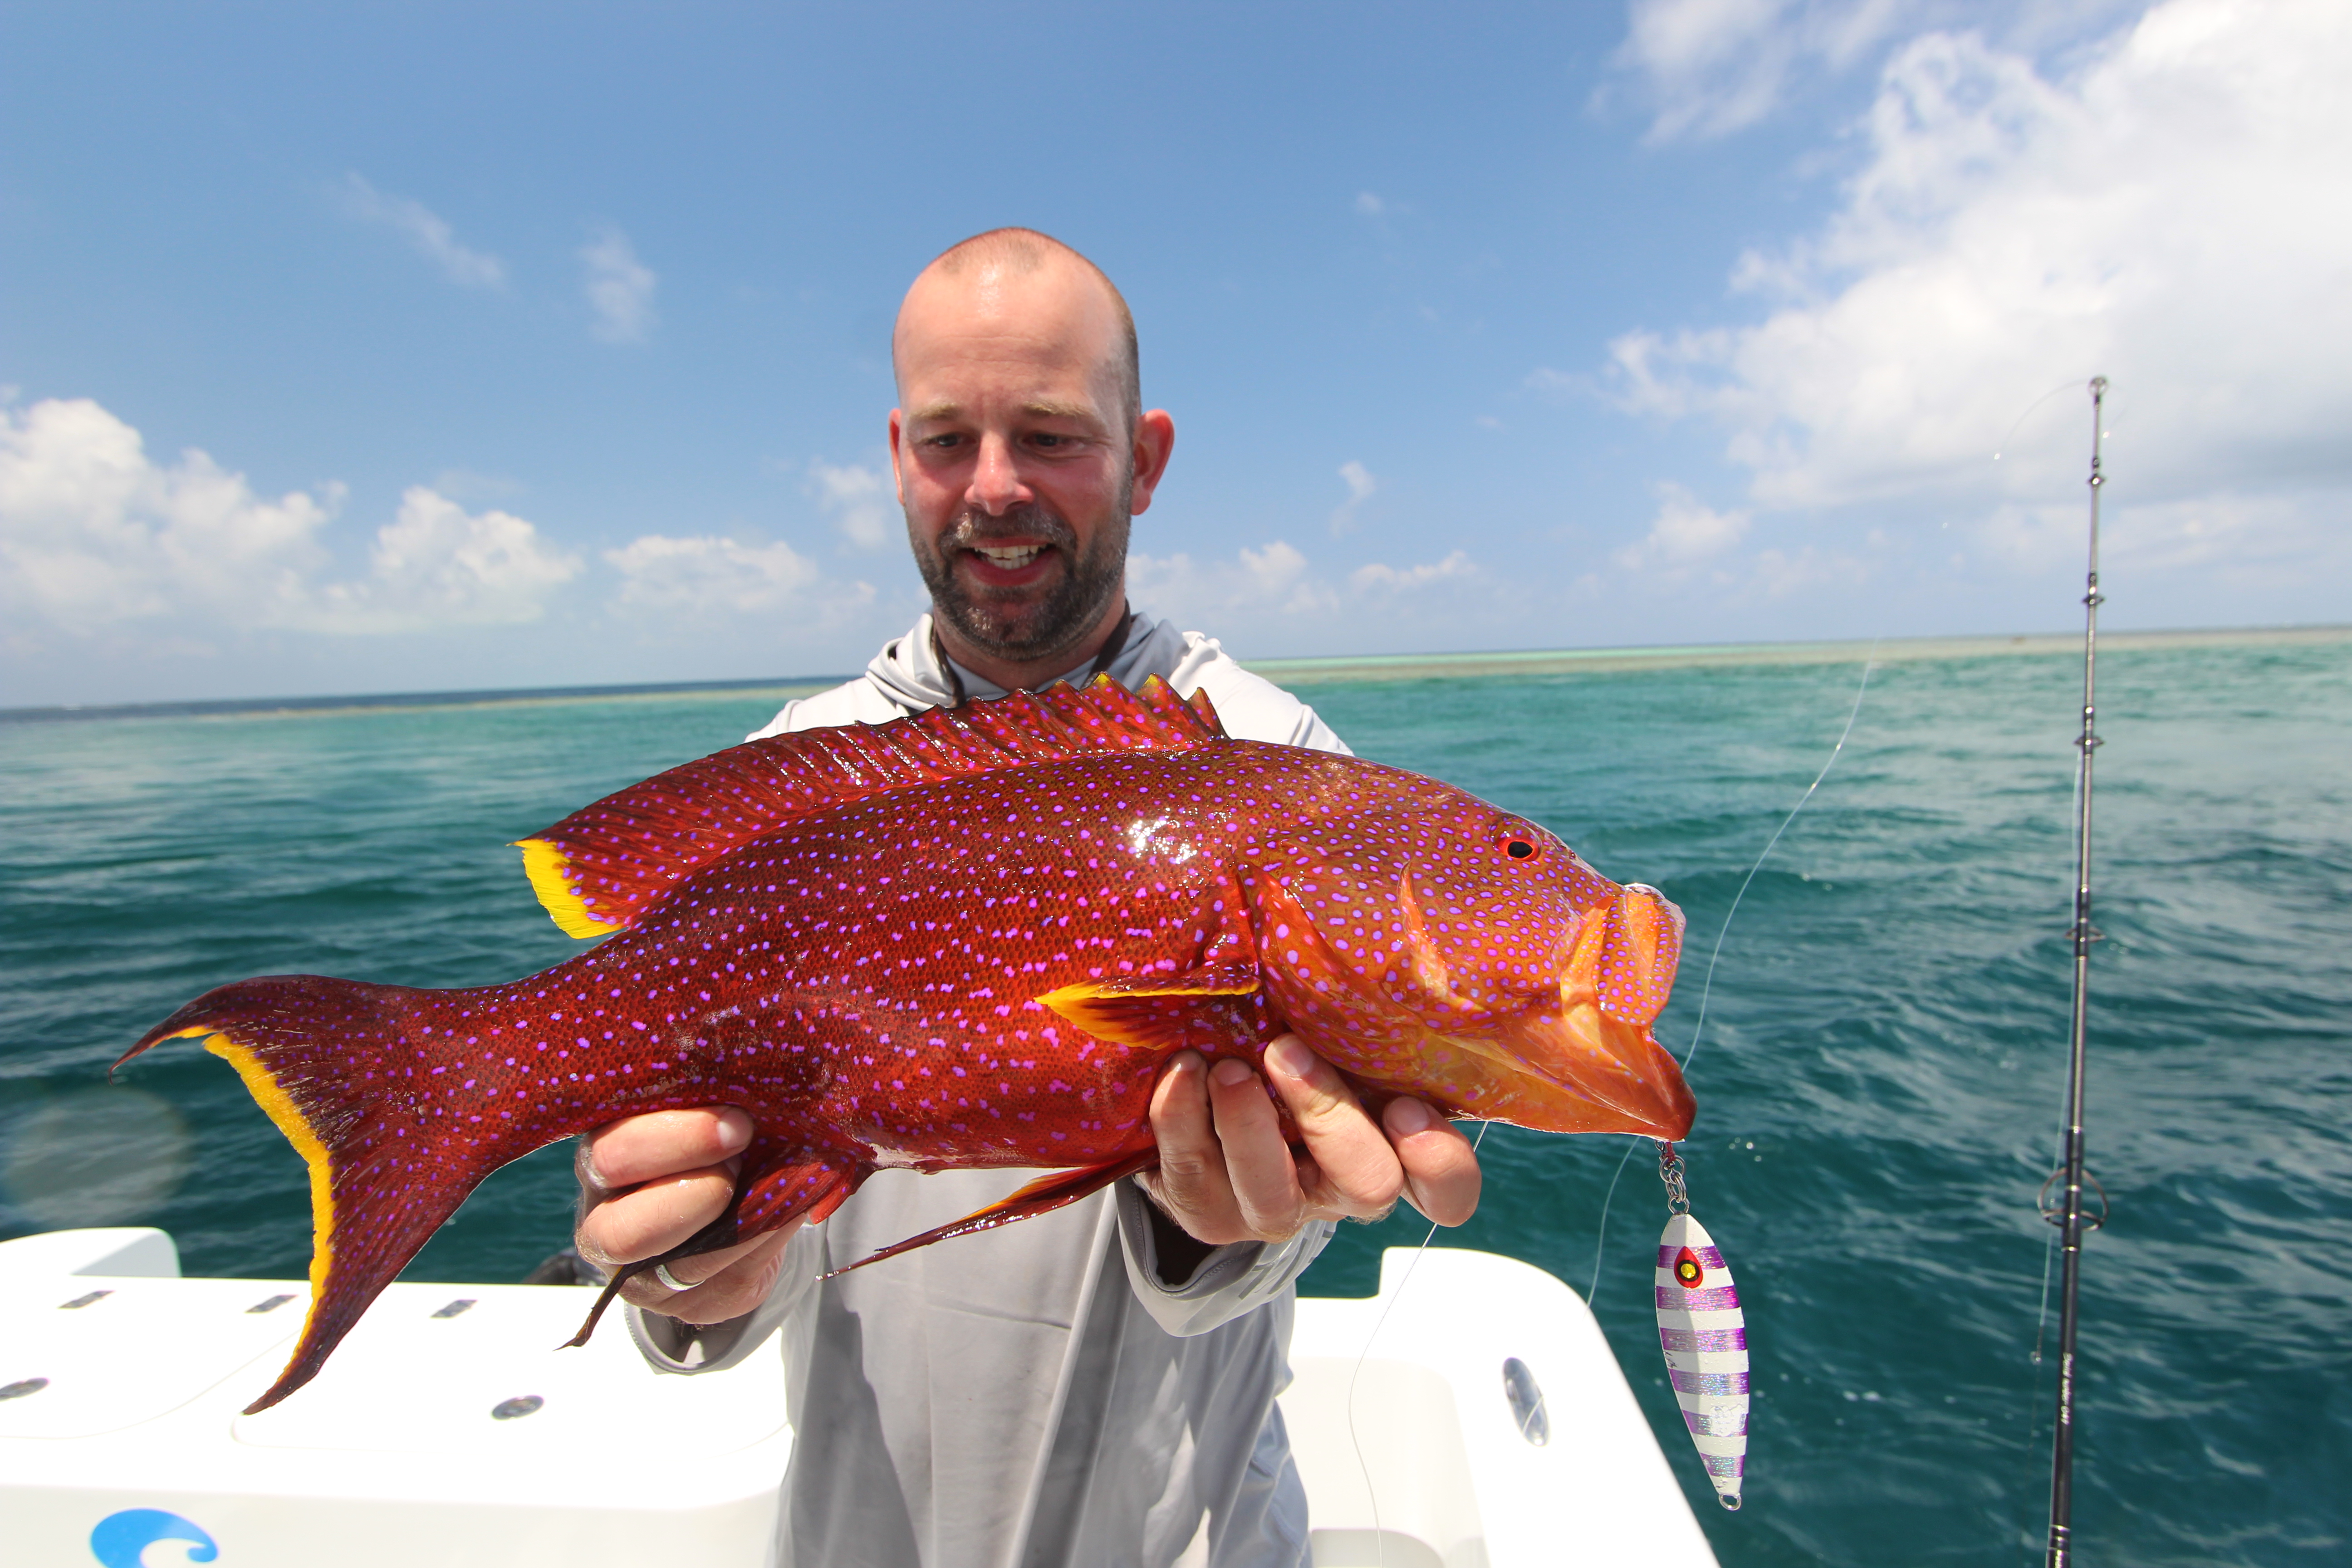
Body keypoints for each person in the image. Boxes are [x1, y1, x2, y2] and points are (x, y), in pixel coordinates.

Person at [573, 229, 1483, 1568]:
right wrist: (674, 1264)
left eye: (1051, 436)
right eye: (950, 440)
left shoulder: (1278, 764)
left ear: (1145, 459)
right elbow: (699, 1276)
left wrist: (1234, 1225)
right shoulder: (796, 770)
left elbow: (1306, 1194)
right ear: (900, 456)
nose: (995, 488)